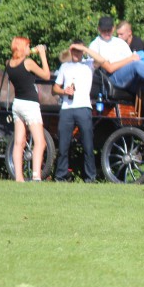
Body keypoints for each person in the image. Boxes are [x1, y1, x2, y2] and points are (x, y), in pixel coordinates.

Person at [87, 15, 144, 103]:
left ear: (113, 28)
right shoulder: (95, 45)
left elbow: (134, 59)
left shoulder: (120, 42)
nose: (107, 33)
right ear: (99, 29)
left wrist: (131, 59)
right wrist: (129, 59)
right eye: (104, 30)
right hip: (110, 78)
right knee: (137, 65)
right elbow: (110, 68)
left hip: (126, 75)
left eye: (109, 30)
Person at [5, 37, 50, 181]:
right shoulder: (28, 63)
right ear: (22, 47)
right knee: (40, 141)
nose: (29, 48)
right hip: (30, 104)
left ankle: (19, 178)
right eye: (27, 46)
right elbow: (46, 75)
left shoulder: (9, 64)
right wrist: (43, 56)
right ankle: (36, 175)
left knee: (19, 142)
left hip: (17, 103)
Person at [52, 41, 97, 182]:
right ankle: (60, 176)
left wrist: (84, 48)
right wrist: (64, 91)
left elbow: (102, 60)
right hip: (67, 108)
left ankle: (90, 177)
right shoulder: (65, 66)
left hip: (83, 107)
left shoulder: (88, 65)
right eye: (74, 51)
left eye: (78, 51)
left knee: (88, 144)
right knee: (63, 145)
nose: (76, 54)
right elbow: (55, 89)